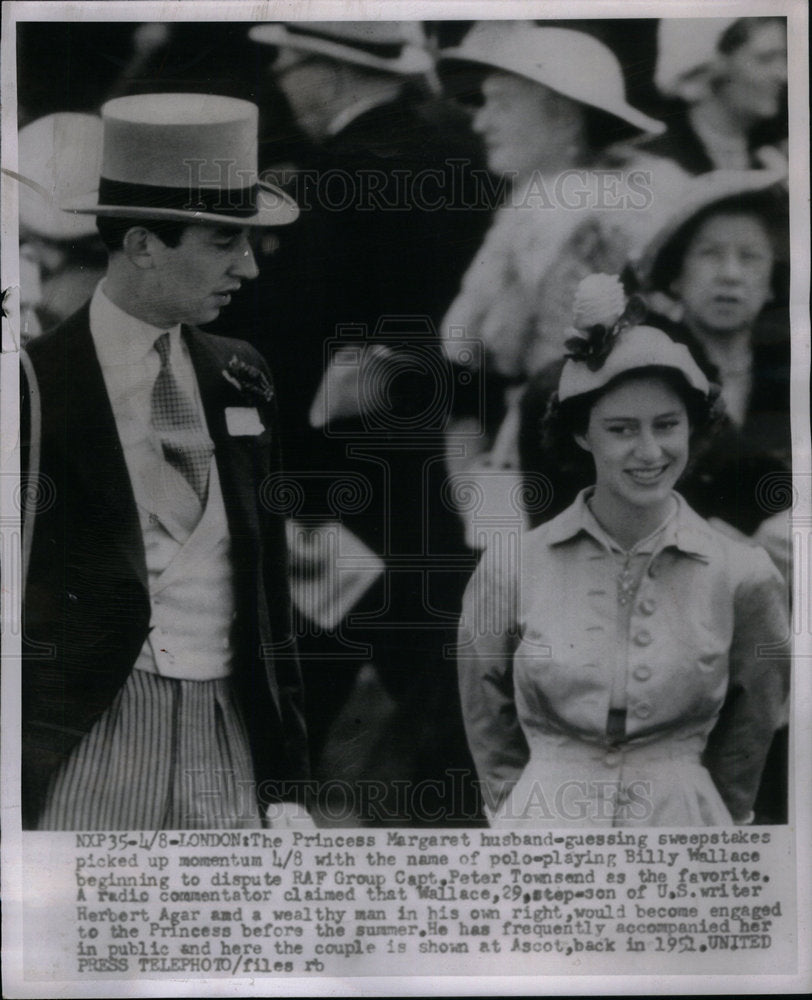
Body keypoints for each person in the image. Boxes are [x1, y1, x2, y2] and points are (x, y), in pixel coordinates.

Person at [21, 93, 311, 830]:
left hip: (227, 731)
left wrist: (283, 777)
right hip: (83, 734)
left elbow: (268, 590)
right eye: (222, 241)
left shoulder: (242, 373)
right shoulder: (31, 386)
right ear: (144, 244)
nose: (247, 267)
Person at [240, 21, 487, 822]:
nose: (279, 75)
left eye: (288, 61)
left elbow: (282, 340)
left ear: (334, 70)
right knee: (442, 711)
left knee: (296, 732)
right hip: (449, 482)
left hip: (333, 502)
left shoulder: (328, 183)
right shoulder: (466, 164)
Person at [457, 274, 789, 827]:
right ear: (583, 435)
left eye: (667, 425)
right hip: (544, 825)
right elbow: (486, 713)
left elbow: (750, 727)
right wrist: (517, 808)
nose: (650, 451)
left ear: (693, 427)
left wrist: (718, 820)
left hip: (686, 825)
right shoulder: (512, 568)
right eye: (621, 429)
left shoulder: (743, 574)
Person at [435, 21, 669, 548]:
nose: (482, 123)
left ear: (563, 118)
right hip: (544, 462)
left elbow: (520, 361)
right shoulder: (537, 215)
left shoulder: (575, 222)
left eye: (502, 104)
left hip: (570, 467)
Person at [637, 16, 787, 174]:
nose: (783, 75)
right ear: (708, 69)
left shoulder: (777, 158)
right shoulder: (650, 162)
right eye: (765, 59)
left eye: (784, 58)